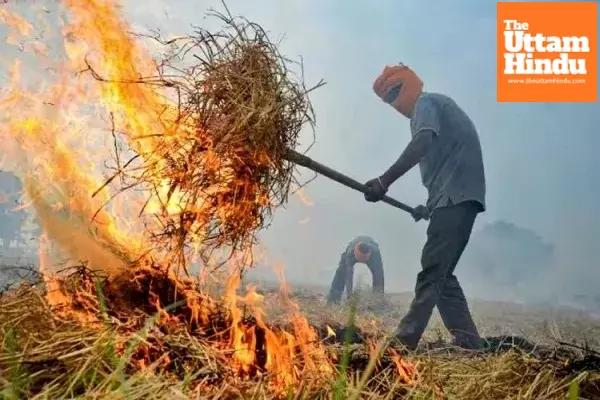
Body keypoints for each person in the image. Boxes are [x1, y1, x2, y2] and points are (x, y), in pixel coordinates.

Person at [363, 63, 486, 350]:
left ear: (409, 84)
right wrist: (428, 208)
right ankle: (469, 343)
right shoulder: (433, 106)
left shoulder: (426, 103)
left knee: (432, 269)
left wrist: (384, 180)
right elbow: (447, 164)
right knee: (442, 274)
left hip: (455, 197)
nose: (394, 102)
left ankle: (404, 341)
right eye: (388, 99)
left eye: (395, 93)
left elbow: (423, 140)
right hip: (454, 199)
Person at [327, 235, 384, 304]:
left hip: (372, 252)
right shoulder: (350, 253)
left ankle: (378, 303)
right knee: (341, 273)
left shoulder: (375, 253)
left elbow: (379, 277)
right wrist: (349, 297)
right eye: (361, 258)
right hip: (353, 247)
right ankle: (333, 300)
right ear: (356, 253)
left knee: (378, 278)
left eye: (365, 258)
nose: (363, 260)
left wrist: (378, 297)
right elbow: (348, 276)